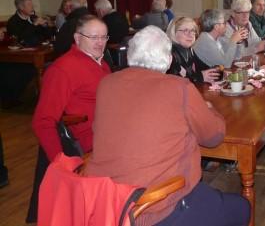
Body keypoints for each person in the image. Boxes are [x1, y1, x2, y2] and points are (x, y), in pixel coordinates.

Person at [85, 26, 250, 226]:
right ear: (170, 60)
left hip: (106, 205)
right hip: (157, 208)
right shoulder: (179, 87)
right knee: (242, 207)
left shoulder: (106, 84)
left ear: (130, 56)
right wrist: (211, 110)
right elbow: (213, 136)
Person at [27, 15, 111, 222]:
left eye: (104, 37)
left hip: (109, 136)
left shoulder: (102, 64)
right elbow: (43, 121)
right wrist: (60, 162)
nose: (100, 42)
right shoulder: (63, 69)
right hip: (88, 143)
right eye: (93, 37)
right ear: (77, 37)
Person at [166, 16, 220, 83]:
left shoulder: (189, 50)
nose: (190, 35)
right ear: (173, 32)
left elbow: (202, 67)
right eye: (185, 30)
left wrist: (215, 69)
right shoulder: (170, 54)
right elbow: (178, 80)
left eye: (192, 30)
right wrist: (201, 76)